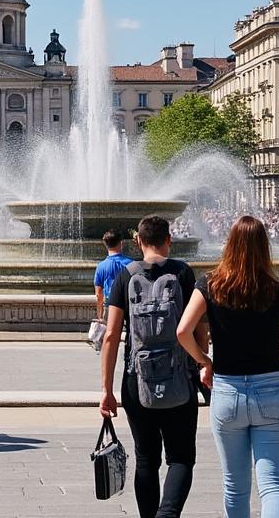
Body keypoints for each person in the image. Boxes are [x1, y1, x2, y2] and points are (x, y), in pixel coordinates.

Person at [177, 215, 279, 518]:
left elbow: (182, 331)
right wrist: (276, 355)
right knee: (273, 486)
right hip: (271, 389)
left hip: (228, 391)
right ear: (264, 247)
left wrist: (204, 360)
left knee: (235, 486)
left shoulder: (210, 285)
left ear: (229, 244)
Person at [99, 215, 205, 518]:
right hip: (180, 377)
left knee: (146, 458)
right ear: (169, 240)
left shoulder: (126, 276)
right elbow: (199, 329)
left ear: (138, 241)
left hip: (137, 380)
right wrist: (201, 362)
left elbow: (111, 335)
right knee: (181, 457)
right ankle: (167, 514)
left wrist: (106, 390)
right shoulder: (183, 273)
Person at [93, 229, 132, 324]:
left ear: (105, 244)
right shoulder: (131, 264)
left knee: (109, 331)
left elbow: (99, 294)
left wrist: (99, 315)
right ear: (121, 243)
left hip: (110, 306)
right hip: (128, 305)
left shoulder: (101, 266)